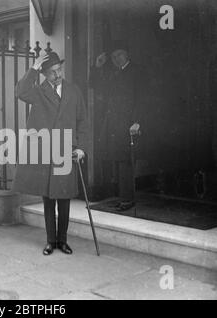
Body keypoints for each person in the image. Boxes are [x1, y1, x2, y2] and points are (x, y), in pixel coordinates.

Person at [13, 52, 87, 255]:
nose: (57, 75)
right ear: (44, 74)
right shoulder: (38, 91)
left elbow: (83, 121)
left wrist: (81, 147)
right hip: (46, 150)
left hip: (66, 151)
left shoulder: (73, 91)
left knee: (64, 198)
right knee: (48, 198)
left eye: (59, 70)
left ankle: (62, 241)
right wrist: (33, 69)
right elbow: (20, 92)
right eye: (52, 72)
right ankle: (50, 241)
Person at [89, 42, 145, 211]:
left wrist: (137, 121)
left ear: (126, 54)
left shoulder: (136, 71)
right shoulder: (115, 73)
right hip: (114, 123)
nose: (116, 59)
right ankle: (123, 197)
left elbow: (141, 97)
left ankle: (128, 199)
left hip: (129, 123)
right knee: (118, 159)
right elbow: (96, 86)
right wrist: (97, 67)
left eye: (119, 55)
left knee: (125, 161)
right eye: (113, 57)